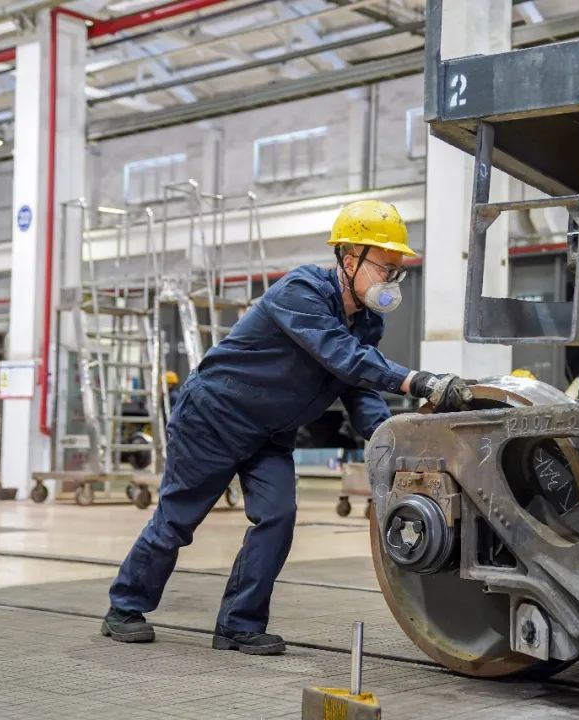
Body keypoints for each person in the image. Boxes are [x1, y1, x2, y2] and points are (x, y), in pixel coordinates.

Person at [102, 200, 472, 655]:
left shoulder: (368, 322)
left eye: (398, 271)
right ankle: (124, 607)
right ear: (349, 258)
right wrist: (417, 380)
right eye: (385, 267)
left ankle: (238, 624)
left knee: (277, 518)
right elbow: (341, 354)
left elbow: (355, 384)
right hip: (213, 418)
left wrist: (389, 440)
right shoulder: (302, 291)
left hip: (270, 433)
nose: (391, 280)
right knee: (179, 520)